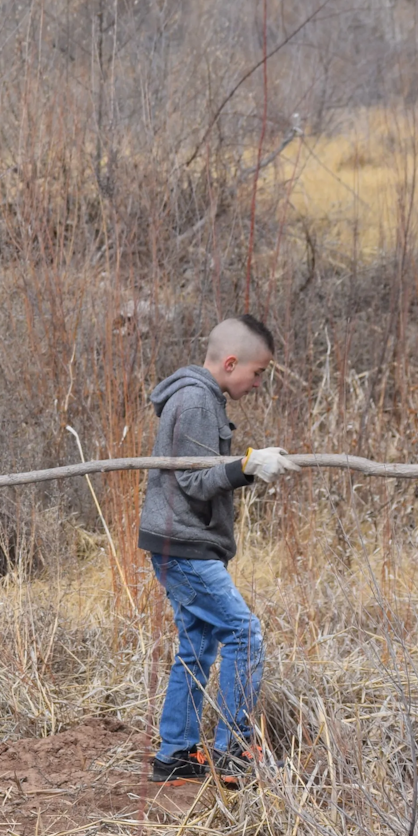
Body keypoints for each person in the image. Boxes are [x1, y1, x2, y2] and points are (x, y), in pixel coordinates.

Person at [138, 315, 297, 788]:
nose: (258, 382)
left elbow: (198, 472)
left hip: (184, 543)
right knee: (244, 633)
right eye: (258, 372)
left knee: (199, 644)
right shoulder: (195, 399)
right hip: (183, 546)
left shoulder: (198, 397)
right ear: (231, 362)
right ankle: (235, 750)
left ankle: (176, 756)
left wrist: (244, 463)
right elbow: (192, 479)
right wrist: (246, 466)